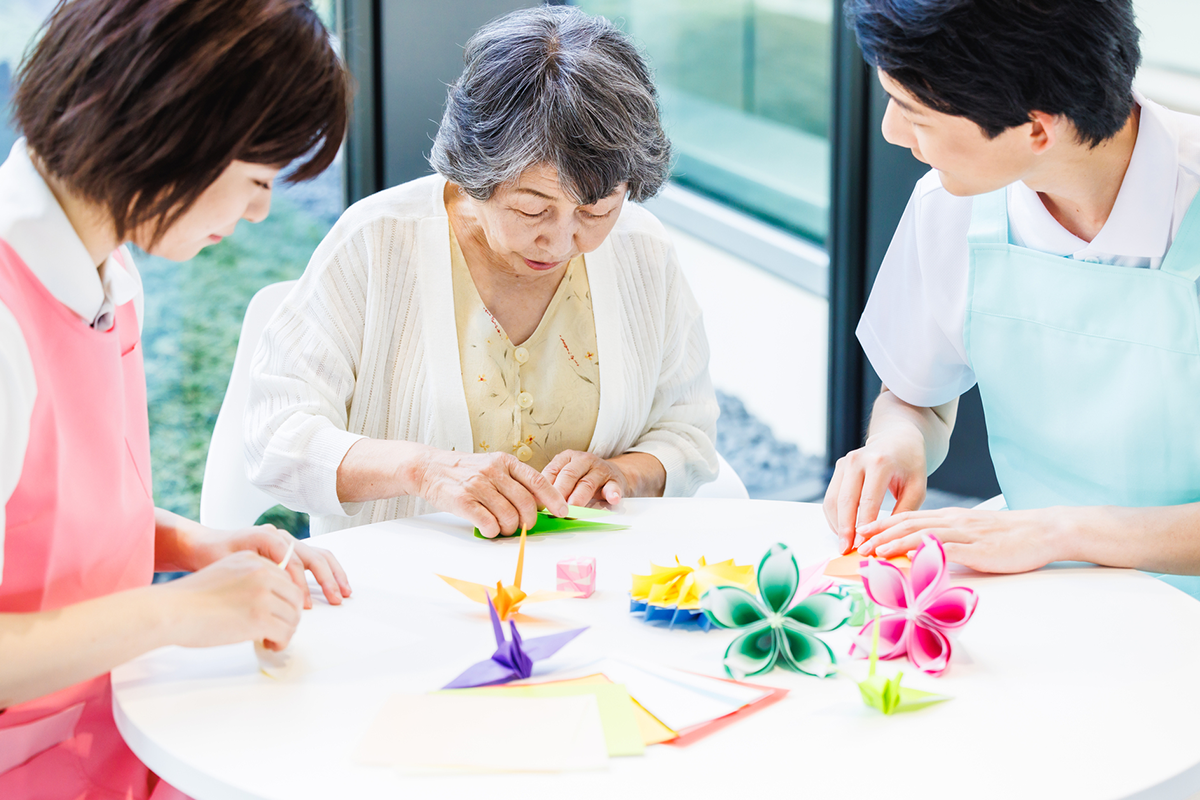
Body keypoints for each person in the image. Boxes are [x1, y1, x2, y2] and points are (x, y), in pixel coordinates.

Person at [0, 0, 352, 796]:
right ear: (175, 129)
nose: (261, 209)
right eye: (258, 179)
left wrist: (190, 546)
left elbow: (38, 521)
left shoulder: (108, 275)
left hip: (108, 723)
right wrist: (177, 612)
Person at [246, 5, 719, 539]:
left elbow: (689, 430)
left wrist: (622, 474)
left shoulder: (642, 251)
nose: (562, 241)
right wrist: (423, 470)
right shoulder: (376, 243)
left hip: (588, 589)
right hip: (402, 595)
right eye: (532, 208)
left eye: (596, 211)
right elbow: (274, 436)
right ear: (473, 173)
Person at [823, 0, 1200, 588]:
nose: (891, 134)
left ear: (1037, 128)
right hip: (1039, 573)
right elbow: (917, 397)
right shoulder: (950, 204)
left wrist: (1063, 533)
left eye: (914, 114)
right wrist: (896, 446)